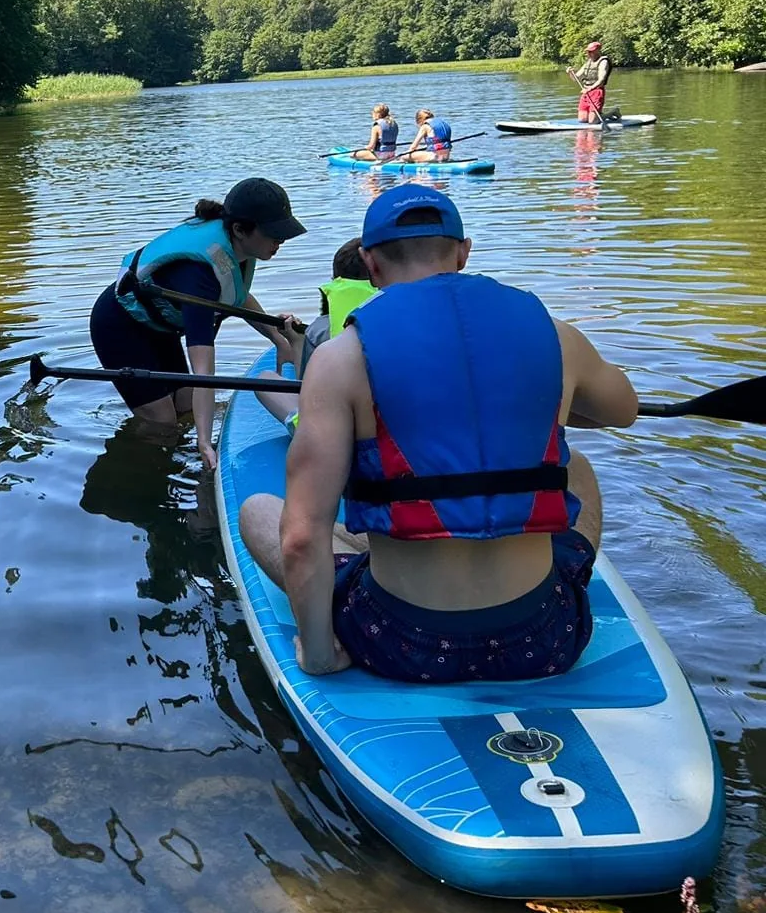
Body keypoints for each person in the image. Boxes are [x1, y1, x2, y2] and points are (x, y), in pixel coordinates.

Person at [237, 184, 638, 682]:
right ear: (463, 253)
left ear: (370, 263)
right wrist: (547, 402)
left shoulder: (340, 360)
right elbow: (623, 411)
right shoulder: (557, 337)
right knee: (576, 469)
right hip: (543, 636)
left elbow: (301, 538)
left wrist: (319, 657)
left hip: (401, 642)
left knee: (259, 512)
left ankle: (387, 569)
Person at [89, 177, 307, 471]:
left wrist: (278, 339)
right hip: (119, 326)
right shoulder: (198, 275)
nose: (280, 241)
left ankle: (173, 455)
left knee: (185, 406)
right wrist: (205, 442)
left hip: (159, 326)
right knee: (162, 422)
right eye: (273, 233)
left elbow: (236, 294)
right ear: (240, 229)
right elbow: (204, 372)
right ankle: (136, 466)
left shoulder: (236, 248)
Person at [253, 237, 376, 431]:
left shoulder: (318, 330)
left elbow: (307, 390)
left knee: (265, 377)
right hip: (387, 424)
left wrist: (296, 340)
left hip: (334, 431)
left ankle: (302, 431)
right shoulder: (402, 315)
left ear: (335, 280)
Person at [573, 42, 612, 125]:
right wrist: (570, 73)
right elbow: (576, 78)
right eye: (588, 51)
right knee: (582, 120)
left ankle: (612, 113)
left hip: (596, 92)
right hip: (586, 92)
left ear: (598, 51)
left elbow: (601, 80)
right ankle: (598, 115)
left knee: (592, 121)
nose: (589, 53)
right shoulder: (588, 62)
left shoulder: (603, 62)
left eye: (591, 51)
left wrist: (590, 89)